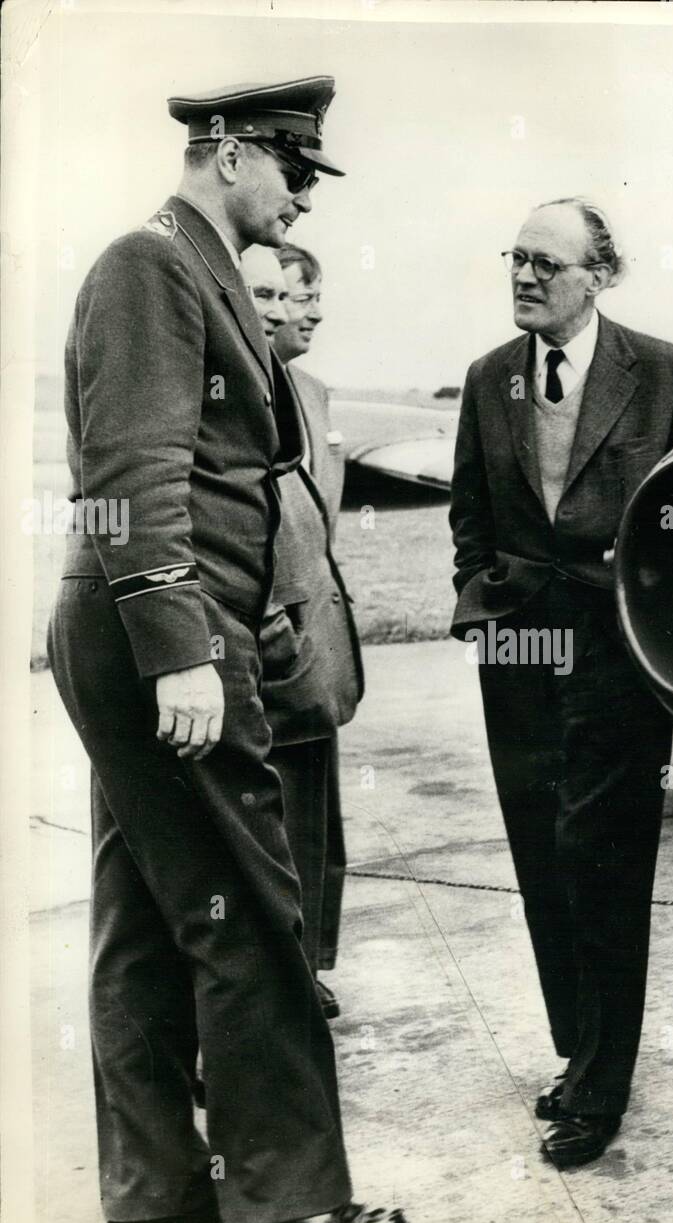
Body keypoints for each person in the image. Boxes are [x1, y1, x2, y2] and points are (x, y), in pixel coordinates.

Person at [48, 77, 406, 1223]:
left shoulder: (194, 270)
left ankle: (154, 1183)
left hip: (156, 634)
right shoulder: (148, 267)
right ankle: (283, 1193)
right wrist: (184, 654)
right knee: (253, 908)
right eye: (297, 171)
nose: (305, 199)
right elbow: (130, 477)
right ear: (235, 150)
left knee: (152, 907)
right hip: (169, 631)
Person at [449, 197, 673, 1169]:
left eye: (545, 263)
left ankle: (601, 1085)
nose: (523, 275)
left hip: (617, 657)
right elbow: (471, 514)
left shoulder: (669, 375)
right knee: (540, 859)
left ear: (598, 276)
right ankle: (579, 1053)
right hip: (518, 654)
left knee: (600, 860)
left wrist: (666, 646)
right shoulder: (489, 381)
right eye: (514, 257)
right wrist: (480, 607)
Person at [240, 243, 361, 1019]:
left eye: (303, 298)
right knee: (264, 830)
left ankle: (304, 969)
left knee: (315, 826)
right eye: (275, 296)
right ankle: (272, 987)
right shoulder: (232, 389)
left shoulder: (310, 392)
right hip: (264, 646)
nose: (294, 312)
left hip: (311, 648)